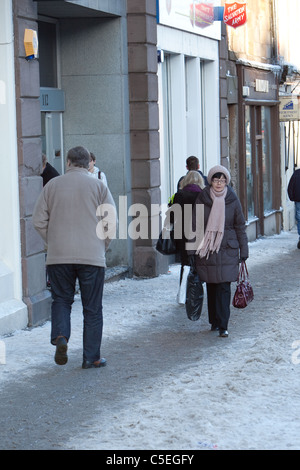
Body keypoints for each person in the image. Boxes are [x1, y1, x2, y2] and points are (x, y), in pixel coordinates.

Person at [33, 146, 117, 369]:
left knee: (61, 299)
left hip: (59, 256)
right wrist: (102, 245)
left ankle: (61, 336)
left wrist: (53, 241)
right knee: (92, 308)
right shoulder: (99, 186)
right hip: (92, 256)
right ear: (88, 162)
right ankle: (91, 357)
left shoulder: (52, 185)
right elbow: (111, 223)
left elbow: (38, 220)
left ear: (68, 162)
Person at [193, 165, 248, 337]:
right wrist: (190, 251)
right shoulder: (202, 198)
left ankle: (223, 325)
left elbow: (240, 225)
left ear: (226, 181)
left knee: (224, 286)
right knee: (212, 285)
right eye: (216, 180)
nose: (219, 184)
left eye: (222, 180)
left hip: (227, 249)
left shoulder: (232, 198)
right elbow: (195, 226)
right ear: (211, 181)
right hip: (207, 249)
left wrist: (244, 249)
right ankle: (214, 321)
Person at [287, 168, 300, 249]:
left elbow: (290, 186)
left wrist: (292, 197)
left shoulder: (296, 173)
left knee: (299, 218)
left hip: (298, 199)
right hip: (298, 199)